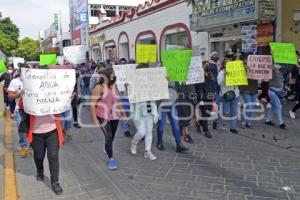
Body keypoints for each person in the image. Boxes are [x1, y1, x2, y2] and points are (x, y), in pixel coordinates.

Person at [90, 67, 127, 169]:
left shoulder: (114, 86)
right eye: (113, 74)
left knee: (112, 137)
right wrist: (95, 119)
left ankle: (107, 147)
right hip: (102, 116)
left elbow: (118, 101)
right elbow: (92, 104)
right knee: (109, 136)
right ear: (108, 75)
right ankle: (111, 159)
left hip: (115, 116)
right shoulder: (99, 87)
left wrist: (123, 114)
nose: (115, 75)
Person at [130, 63, 159, 161]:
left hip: (150, 108)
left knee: (149, 131)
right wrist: (127, 87)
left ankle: (147, 151)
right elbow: (130, 96)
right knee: (141, 132)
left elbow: (159, 91)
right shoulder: (133, 82)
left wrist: (163, 82)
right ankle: (134, 143)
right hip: (138, 110)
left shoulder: (152, 81)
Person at [156, 81, 189, 153]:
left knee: (176, 124)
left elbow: (179, 90)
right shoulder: (159, 74)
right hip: (162, 104)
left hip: (172, 104)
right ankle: (159, 142)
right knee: (161, 124)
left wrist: (181, 83)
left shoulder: (175, 77)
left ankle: (179, 144)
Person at [8, 73, 29, 158]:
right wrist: (20, 93)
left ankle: (32, 146)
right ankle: (24, 147)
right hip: (20, 110)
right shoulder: (14, 81)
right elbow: (10, 96)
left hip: (33, 110)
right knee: (22, 129)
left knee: (33, 129)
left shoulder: (35, 80)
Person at [217, 60, 240, 134]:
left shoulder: (235, 71)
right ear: (224, 65)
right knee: (224, 112)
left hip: (235, 94)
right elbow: (219, 83)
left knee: (234, 111)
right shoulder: (221, 73)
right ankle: (216, 120)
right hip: (226, 95)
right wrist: (225, 76)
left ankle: (233, 127)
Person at [195, 60, 215, 138]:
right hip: (203, 98)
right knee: (204, 114)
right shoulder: (199, 76)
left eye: (208, 64)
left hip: (210, 98)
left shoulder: (210, 75)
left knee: (208, 113)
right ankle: (206, 131)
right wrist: (200, 99)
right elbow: (198, 88)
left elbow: (213, 86)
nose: (207, 66)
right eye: (205, 65)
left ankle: (198, 123)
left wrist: (213, 96)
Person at [265, 65, 286, 129]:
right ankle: (281, 123)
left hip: (278, 92)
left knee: (273, 106)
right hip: (272, 92)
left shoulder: (281, 73)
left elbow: (282, 83)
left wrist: (282, 94)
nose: (278, 65)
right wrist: (272, 68)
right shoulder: (271, 73)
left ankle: (268, 120)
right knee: (278, 106)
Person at [239, 58, 259, 128]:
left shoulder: (257, 67)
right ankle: (244, 121)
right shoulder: (242, 68)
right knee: (249, 106)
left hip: (254, 89)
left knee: (252, 107)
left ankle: (248, 121)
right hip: (245, 89)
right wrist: (245, 70)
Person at [118, 58, 133, 137]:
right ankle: (126, 129)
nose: (123, 65)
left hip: (131, 97)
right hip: (122, 97)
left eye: (124, 63)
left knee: (131, 113)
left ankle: (133, 127)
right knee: (124, 113)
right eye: (121, 63)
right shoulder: (117, 74)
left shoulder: (131, 72)